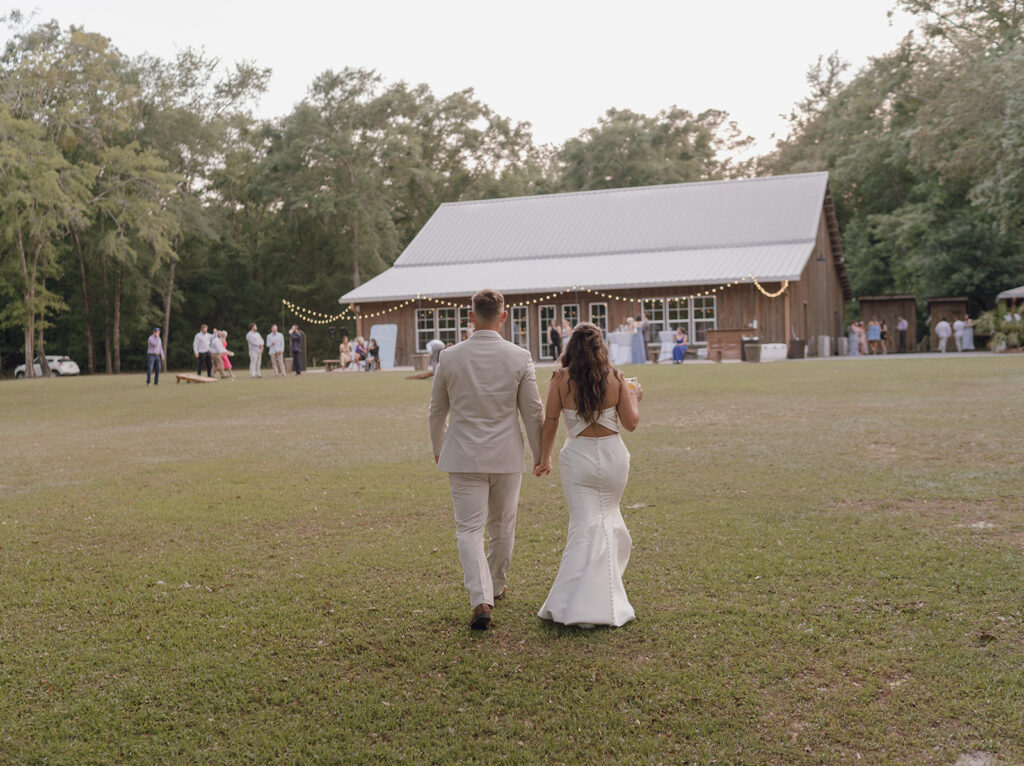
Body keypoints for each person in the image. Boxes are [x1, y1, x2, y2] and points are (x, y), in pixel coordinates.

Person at [428, 288, 543, 630]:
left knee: (469, 529)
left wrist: (439, 445)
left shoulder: (449, 357)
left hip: (463, 455)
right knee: (502, 524)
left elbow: (437, 411)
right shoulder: (519, 356)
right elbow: (533, 411)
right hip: (506, 455)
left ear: (471, 316)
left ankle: (482, 597)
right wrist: (540, 454)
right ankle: (496, 583)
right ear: (503, 317)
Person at [534, 323, 642, 628]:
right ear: (600, 348)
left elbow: (551, 422)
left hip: (578, 457)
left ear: (571, 347)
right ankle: (601, 596)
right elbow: (631, 424)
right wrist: (635, 397)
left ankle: (576, 601)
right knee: (607, 518)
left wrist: (544, 459)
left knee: (584, 524)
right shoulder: (616, 377)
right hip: (612, 456)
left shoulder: (560, 379)